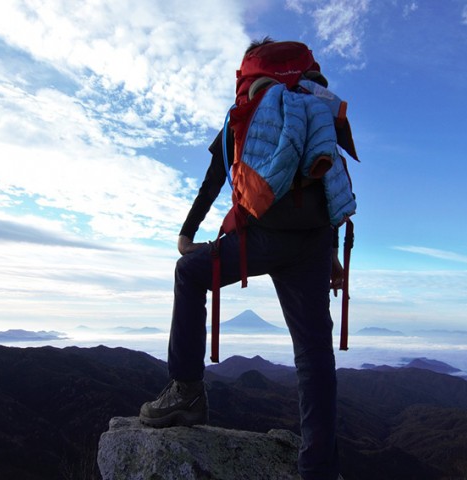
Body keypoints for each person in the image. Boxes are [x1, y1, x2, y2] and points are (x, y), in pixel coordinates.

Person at [139, 38, 347, 480]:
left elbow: (215, 179)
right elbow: (327, 181)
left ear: (248, 73)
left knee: (189, 272)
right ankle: (319, 468)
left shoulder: (246, 112)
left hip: (260, 238)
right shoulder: (316, 105)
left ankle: (187, 393)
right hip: (312, 241)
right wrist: (330, 252)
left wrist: (187, 234)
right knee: (313, 352)